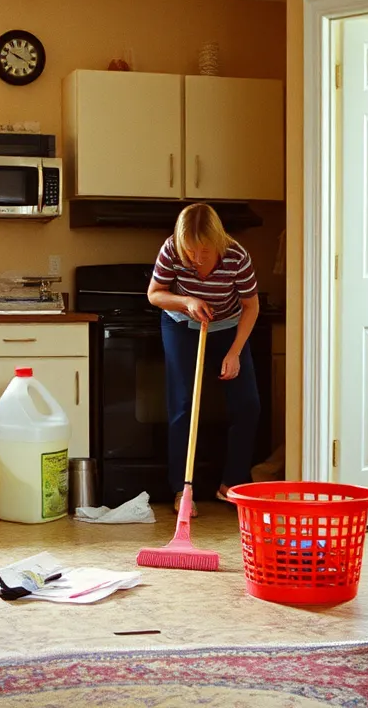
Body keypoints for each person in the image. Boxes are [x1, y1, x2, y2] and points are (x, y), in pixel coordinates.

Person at [147, 203, 261, 516]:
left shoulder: (237, 257)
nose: (196, 260)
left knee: (248, 405)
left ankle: (231, 484)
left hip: (228, 326)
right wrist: (186, 300)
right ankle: (182, 491)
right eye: (190, 252)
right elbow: (155, 293)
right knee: (184, 405)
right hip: (182, 323)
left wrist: (234, 351)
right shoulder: (172, 250)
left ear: (218, 242)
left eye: (204, 251)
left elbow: (251, 307)